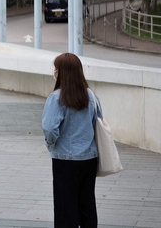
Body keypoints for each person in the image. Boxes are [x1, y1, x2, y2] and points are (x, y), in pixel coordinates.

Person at [42, 53, 100, 228]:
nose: (55, 72)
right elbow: (98, 122)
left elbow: (50, 128)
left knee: (65, 207)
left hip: (65, 160)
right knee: (87, 204)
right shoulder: (91, 96)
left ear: (61, 72)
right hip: (89, 159)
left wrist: (52, 145)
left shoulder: (56, 98)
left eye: (56, 69)